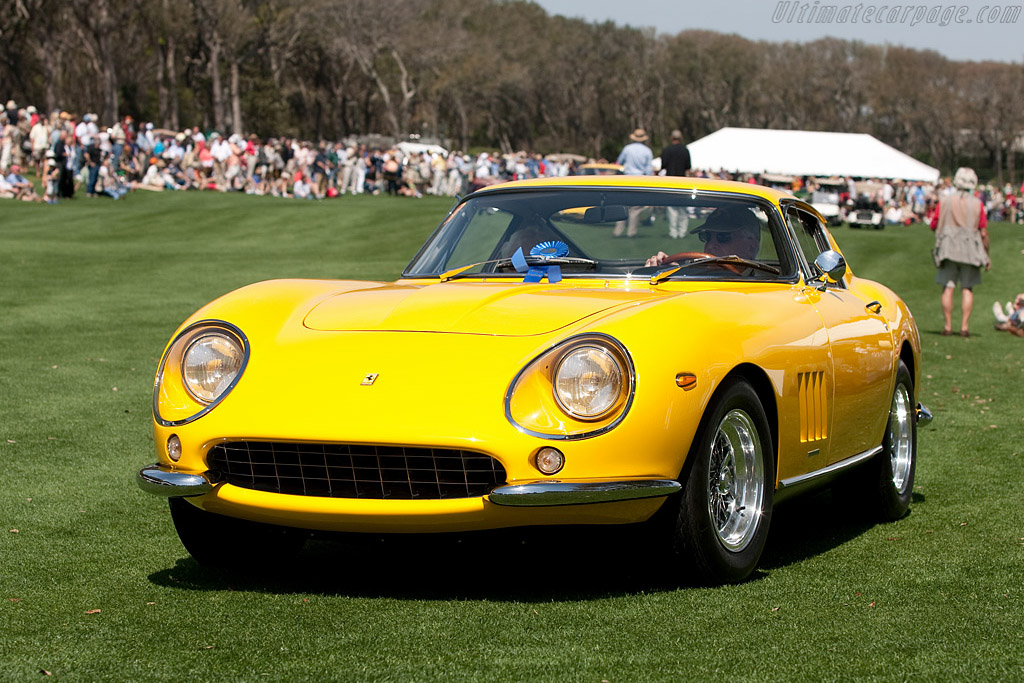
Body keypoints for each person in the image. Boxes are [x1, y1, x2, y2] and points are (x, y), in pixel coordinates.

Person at [931, 167, 990, 337]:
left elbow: (934, 224)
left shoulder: (945, 201)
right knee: (967, 288)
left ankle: (948, 326)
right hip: (970, 250)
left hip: (948, 247)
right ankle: (964, 327)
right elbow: (983, 231)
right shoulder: (977, 203)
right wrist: (987, 254)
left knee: (948, 287)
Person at [646, 206, 761, 266]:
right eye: (706, 237)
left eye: (723, 237)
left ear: (750, 246)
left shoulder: (765, 286)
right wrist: (667, 269)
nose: (711, 245)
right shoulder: (695, 274)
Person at [613, 128, 654, 237]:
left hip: (626, 180)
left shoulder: (627, 149)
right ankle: (631, 232)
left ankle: (618, 231)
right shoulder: (647, 151)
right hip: (640, 181)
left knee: (623, 206)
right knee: (635, 209)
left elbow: (619, 162)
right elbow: (649, 170)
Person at [660, 129, 692, 238]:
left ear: (671, 138)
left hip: (670, 183)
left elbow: (663, 165)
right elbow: (688, 167)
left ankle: (673, 232)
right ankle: (682, 232)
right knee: (683, 209)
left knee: (672, 209)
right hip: (682, 183)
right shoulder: (685, 150)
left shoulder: (667, 150)